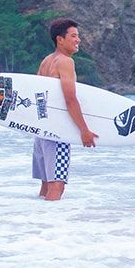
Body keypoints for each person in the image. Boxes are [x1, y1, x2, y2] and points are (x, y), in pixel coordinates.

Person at [33, 18, 98, 200]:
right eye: (74, 36)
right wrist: (84, 130)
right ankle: (52, 226)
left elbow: (38, 98)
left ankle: (35, 220)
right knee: (57, 184)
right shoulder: (65, 62)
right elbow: (70, 99)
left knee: (46, 184)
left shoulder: (46, 61)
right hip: (57, 130)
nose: (78, 40)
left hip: (42, 129)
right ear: (60, 39)